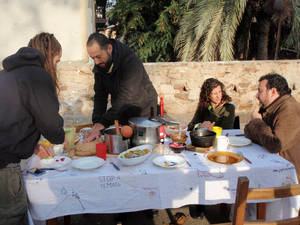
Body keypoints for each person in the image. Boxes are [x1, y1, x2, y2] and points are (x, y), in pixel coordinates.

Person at [0, 32, 66, 225]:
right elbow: (51, 125)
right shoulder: (38, 75)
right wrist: (60, 136)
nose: (56, 66)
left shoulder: (6, 75)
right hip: (4, 167)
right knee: (12, 219)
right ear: (49, 55)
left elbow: (14, 118)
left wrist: (32, 145)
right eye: (57, 60)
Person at [84, 32, 158, 142]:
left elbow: (127, 97)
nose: (96, 62)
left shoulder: (129, 61)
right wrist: (97, 124)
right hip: (121, 111)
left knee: (142, 147)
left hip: (143, 111)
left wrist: (103, 123)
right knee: (121, 146)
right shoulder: (100, 65)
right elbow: (100, 96)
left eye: (98, 57)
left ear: (109, 48)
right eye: (92, 58)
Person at [244, 73, 300, 180]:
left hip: (288, 175)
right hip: (273, 166)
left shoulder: (289, 109)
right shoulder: (270, 107)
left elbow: (275, 145)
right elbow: (248, 131)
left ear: (273, 91)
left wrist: (257, 121)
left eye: (260, 91)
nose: (257, 95)